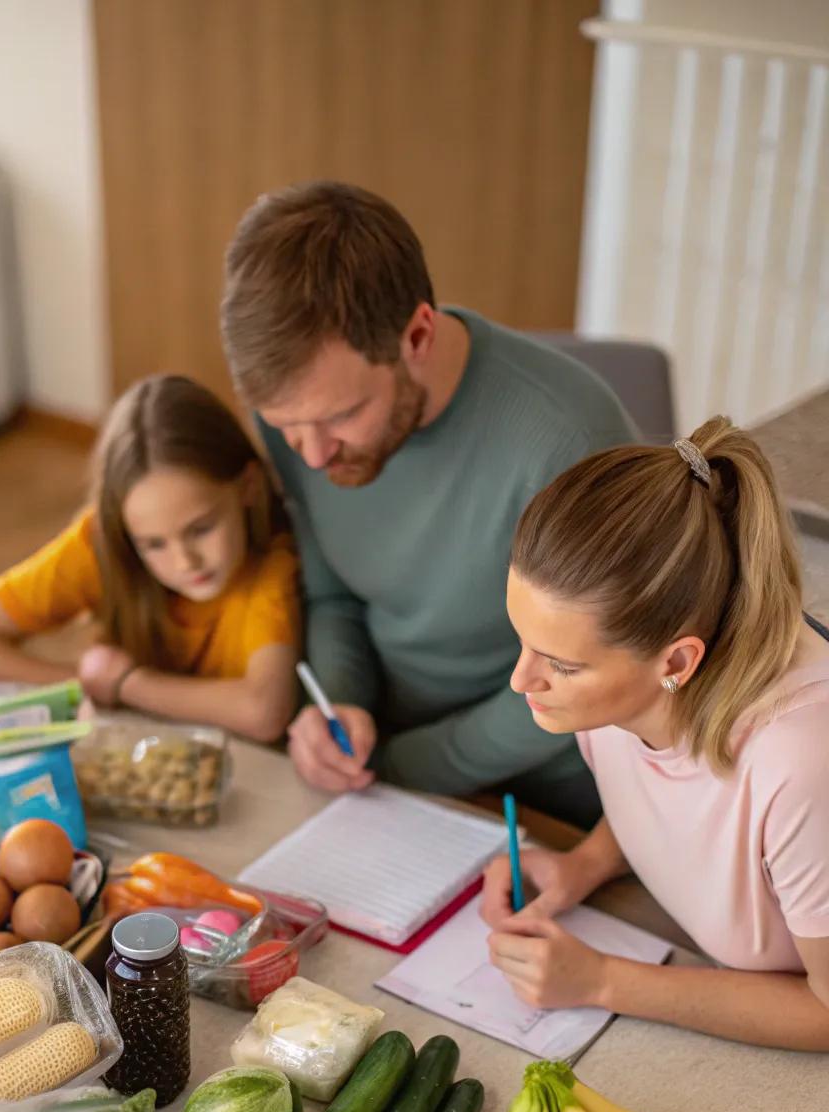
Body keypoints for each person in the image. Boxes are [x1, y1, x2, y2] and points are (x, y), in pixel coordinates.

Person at [220, 181, 637, 825]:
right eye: (284, 425)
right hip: (380, 762)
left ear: (417, 335)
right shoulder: (302, 418)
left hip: (550, 787)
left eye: (342, 416)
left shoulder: (569, 441)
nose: (312, 456)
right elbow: (334, 597)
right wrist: (339, 708)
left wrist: (397, 768)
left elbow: (586, 675)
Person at [480, 417, 829, 1051]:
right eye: (523, 639)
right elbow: (673, 798)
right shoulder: (621, 684)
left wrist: (604, 981)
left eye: (561, 664)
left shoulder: (800, 763)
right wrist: (586, 863)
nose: (521, 679)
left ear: (676, 662)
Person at [0, 375, 300, 743]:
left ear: (248, 487)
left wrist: (128, 684)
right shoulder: (100, 544)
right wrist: (82, 683)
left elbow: (264, 712)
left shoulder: (270, 566)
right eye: (153, 544)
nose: (185, 562)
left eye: (200, 529)